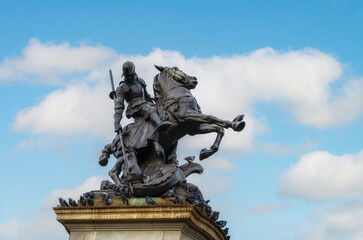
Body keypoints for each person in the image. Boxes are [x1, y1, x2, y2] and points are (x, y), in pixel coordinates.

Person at [113, 61, 172, 133]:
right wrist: (116, 123)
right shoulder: (122, 87)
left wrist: (154, 101)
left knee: (160, 108)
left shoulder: (140, 81)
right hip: (134, 107)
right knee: (151, 110)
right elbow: (119, 106)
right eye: (126, 76)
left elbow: (146, 96)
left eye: (130, 75)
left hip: (144, 102)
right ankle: (159, 124)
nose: (129, 77)